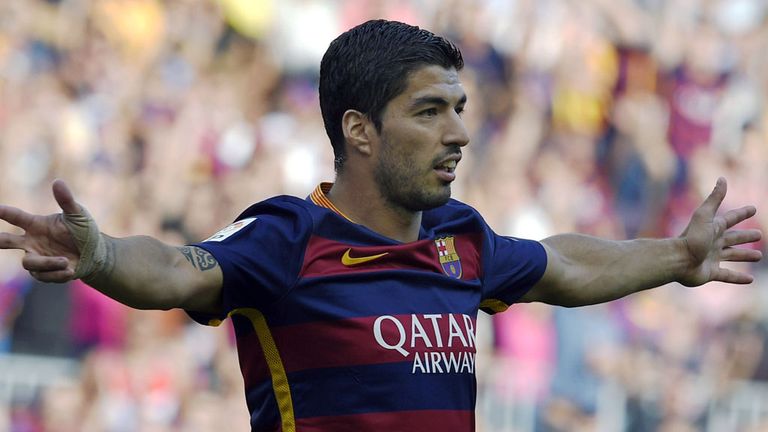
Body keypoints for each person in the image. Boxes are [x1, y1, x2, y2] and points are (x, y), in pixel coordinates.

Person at [0, 20, 762, 432]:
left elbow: (565, 266)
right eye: (430, 112)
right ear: (359, 131)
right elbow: (172, 270)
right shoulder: (287, 236)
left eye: (460, 108)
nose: (458, 133)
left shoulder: (464, 240)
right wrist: (98, 255)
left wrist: (675, 255)